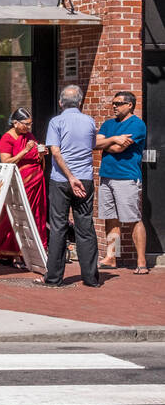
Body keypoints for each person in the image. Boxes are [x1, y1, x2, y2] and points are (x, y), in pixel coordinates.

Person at [37, 85, 100, 287]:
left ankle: (54, 278)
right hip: (85, 179)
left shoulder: (56, 121)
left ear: (60, 103)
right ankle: (91, 278)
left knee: (58, 227)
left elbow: (55, 152)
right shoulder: (89, 121)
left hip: (61, 180)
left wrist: (70, 177)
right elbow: (91, 146)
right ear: (80, 102)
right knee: (85, 227)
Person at [97, 90, 149, 274]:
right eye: (113, 103)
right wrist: (112, 139)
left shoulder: (137, 125)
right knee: (110, 218)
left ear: (130, 105)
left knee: (133, 218)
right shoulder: (109, 124)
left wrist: (107, 144)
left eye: (118, 103)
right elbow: (95, 143)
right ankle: (111, 257)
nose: (114, 106)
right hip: (106, 176)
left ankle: (141, 262)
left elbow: (119, 149)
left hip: (126, 177)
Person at [0, 108, 47, 265]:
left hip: (36, 182)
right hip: (20, 182)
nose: (28, 128)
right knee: (15, 217)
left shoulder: (29, 136)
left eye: (30, 124)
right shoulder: (7, 139)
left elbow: (35, 155)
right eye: (26, 124)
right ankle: (10, 251)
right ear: (15, 123)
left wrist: (41, 153)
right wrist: (25, 151)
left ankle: (31, 253)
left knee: (35, 216)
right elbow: (6, 162)